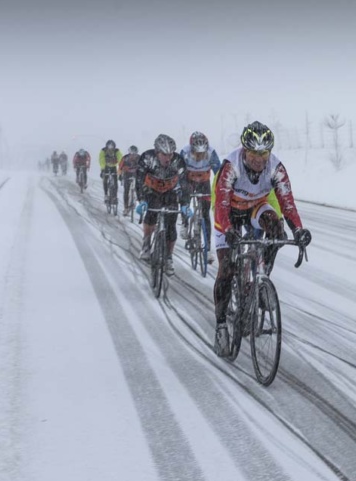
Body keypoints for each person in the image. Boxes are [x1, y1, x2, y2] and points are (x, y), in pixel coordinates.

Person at [212, 121, 312, 356]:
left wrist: (298, 229)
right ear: (244, 150)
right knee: (226, 269)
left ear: (270, 152)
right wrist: (228, 230)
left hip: (255, 206)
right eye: (254, 153)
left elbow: (287, 203)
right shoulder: (230, 167)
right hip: (227, 212)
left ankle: (262, 278)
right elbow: (222, 206)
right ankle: (221, 326)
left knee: (276, 229)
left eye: (263, 153)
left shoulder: (276, 168)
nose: (259, 159)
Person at [134, 134, 186, 276]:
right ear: (157, 152)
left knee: (171, 227)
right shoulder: (146, 158)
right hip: (151, 191)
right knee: (150, 216)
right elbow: (139, 180)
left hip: (170, 192)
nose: (168, 158)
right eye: (164, 154)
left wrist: (185, 204)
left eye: (170, 154)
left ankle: (168, 257)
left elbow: (185, 183)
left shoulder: (178, 161)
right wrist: (142, 200)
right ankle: (146, 244)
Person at [179, 131, 221, 262]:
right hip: (188, 180)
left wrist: (219, 190)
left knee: (205, 214)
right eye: (197, 153)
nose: (199, 156)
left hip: (204, 181)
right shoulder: (184, 153)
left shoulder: (211, 153)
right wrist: (181, 188)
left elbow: (219, 172)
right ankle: (185, 223)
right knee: (184, 199)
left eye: (202, 153)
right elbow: (179, 172)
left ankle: (207, 249)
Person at [119, 145, 141, 215]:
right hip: (127, 174)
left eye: (134, 154)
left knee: (140, 188)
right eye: (132, 154)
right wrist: (119, 175)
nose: (133, 156)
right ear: (129, 153)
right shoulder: (125, 158)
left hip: (136, 174)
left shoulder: (140, 158)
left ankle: (139, 202)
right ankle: (126, 208)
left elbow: (144, 167)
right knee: (126, 190)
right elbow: (120, 167)